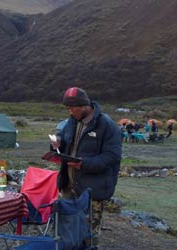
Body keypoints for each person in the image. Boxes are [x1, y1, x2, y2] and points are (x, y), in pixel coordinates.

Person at [50, 87, 122, 246]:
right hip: (69, 187)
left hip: (92, 190)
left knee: (88, 236)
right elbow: (63, 138)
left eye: (72, 108)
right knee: (68, 233)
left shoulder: (107, 125)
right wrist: (57, 143)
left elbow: (112, 157)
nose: (70, 112)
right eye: (67, 108)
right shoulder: (72, 122)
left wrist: (84, 164)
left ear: (84, 105)